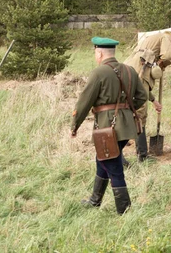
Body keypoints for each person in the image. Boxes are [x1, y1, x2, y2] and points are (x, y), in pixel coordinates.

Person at [71, 37, 148, 214]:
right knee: (103, 159)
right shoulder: (129, 70)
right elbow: (142, 97)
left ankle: (125, 210)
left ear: (99, 53)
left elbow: (84, 102)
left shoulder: (99, 73)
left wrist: (74, 125)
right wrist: (126, 112)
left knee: (113, 166)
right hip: (126, 128)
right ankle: (95, 200)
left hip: (107, 128)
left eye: (95, 53)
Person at [124, 31, 171, 161]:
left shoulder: (149, 40)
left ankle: (127, 153)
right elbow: (168, 55)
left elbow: (142, 90)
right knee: (139, 115)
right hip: (141, 68)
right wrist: (161, 64)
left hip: (130, 69)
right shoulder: (166, 37)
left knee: (131, 113)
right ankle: (142, 155)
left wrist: (154, 101)